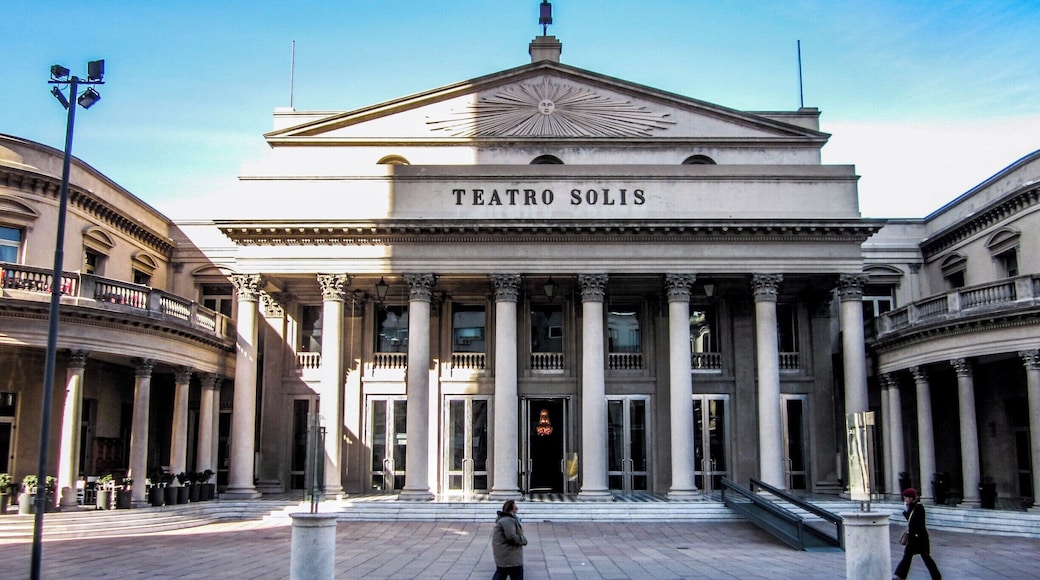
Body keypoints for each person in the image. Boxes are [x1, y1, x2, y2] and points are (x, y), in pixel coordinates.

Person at [894, 487, 942, 580]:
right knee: (907, 557)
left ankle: (936, 576)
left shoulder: (919, 507)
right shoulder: (911, 507)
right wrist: (906, 510)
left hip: (920, 538)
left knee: (926, 558)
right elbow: (910, 520)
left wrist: (916, 534)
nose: (905, 500)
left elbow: (918, 522)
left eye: (906, 498)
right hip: (912, 538)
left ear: (911, 498)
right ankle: (900, 576)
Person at [491, 499, 527, 580]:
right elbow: (511, 537)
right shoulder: (508, 520)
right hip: (510, 557)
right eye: (515, 507)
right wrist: (523, 540)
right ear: (510, 509)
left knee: (501, 573)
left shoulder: (505, 519)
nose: (517, 509)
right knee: (514, 575)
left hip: (506, 556)